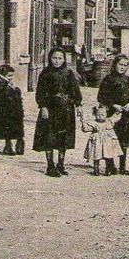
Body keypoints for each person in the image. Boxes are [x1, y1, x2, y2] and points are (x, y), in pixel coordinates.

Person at [33, 48, 82, 177]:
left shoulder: (68, 73)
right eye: (54, 58)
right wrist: (43, 106)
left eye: (60, 58)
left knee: (63, 137)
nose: (57, 61)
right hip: (51, 109)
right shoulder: (45, 73)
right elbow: (40, 92)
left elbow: (75, 90)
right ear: (50, 58)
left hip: (66, 110)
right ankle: (50, 166)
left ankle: (61, 164)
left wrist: (78, 105)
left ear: (64, 59)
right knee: (49, 137)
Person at [97, 56, 129, 175]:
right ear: (115, 64)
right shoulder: (108, 79)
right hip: (112, 114)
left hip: (126, 115)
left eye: (125, 65)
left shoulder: (128, 80)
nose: (122, 67)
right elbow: (101, 96)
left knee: (124, 141)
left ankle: (122, 167)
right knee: (110, 139)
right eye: (120, 64)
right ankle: (110, 166)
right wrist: (113, 105)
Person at [0, 64, 25, 156]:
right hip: (1, 111)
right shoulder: (0, 85)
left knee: (8, 129)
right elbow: (3, 96)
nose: (11, 78)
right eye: (9, 76)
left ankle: (7, 146)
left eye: (12, 75)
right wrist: (12, 89)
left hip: (11, 111)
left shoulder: (6, 84)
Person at [83, 102, 119, 176]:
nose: (100, 117)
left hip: (107, 142)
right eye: (98, 115)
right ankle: (96, 170)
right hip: (97, 142)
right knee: (96, 156)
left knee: (108, 155)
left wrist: (118, 111)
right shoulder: (94, 123)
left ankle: (108, 170)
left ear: (106, 115)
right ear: (95, 115)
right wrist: (83, 122)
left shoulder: (109, 121)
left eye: (102, 115)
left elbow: (116, 117)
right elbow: (86, 129)